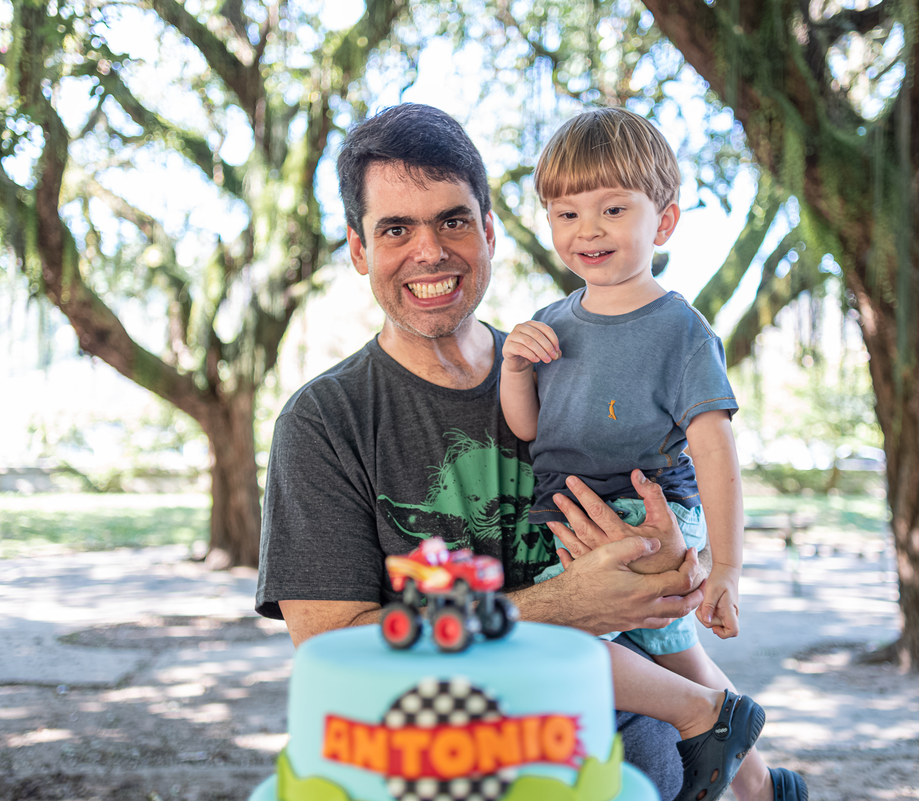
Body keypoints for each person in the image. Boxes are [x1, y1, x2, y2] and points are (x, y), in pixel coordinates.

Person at [256, 102, 740, 801]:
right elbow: (333, 649)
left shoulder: (566, 366)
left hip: (600, 729)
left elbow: (679, 503)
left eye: (452, 220)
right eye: (395, 229)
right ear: (359, 250)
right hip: (428, 746)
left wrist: (675, 566)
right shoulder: (324, 422)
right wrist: (562, 603)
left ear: (488, 232)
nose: (429, 251)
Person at [499, 107, 807, 801]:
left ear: (662, 222)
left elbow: (715, 452)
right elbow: (527, 428)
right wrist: (514, 367)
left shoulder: (680, 331)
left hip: (647, 514)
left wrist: (725, 567)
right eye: (566, 213)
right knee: (674, 649)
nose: (588, 230)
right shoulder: (550, 322)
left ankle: (701, 719)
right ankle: (764, 786)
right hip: (575, 517)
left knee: (547, 636)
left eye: (613, 208)